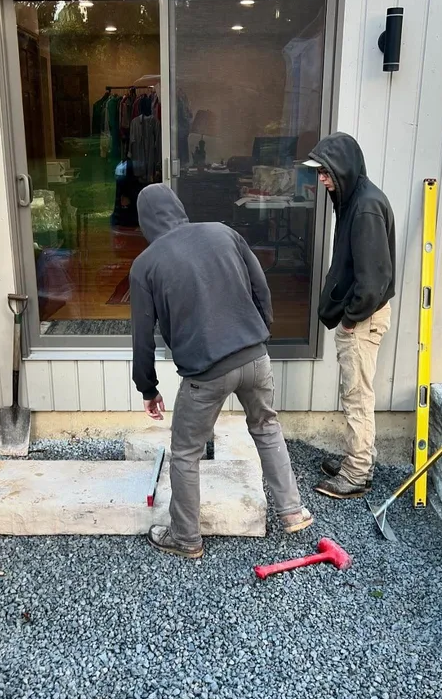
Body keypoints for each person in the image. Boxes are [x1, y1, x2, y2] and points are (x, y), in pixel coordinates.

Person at [130, 183, 313, 559]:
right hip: (255, 357)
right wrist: (259, 335)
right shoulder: (222, 231)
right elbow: (261, 288)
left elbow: (142, 338)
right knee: (266, 427)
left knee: (185, 452)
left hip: (205, 373)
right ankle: (292, 510)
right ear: (178, 207)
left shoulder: (146, 264)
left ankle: (186, 538)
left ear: (144, 221)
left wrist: (148, 388)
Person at [303, 132, 396, 499]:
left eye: (325, 173)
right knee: (355, 392)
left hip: (363, 319)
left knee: (357, 395)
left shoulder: (366, 207)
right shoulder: (354, 200)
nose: (322, 180)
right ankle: (357, 459)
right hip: (359, 316)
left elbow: (373, 280)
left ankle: (357, 473)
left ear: (342, 169)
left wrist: (350, 318)